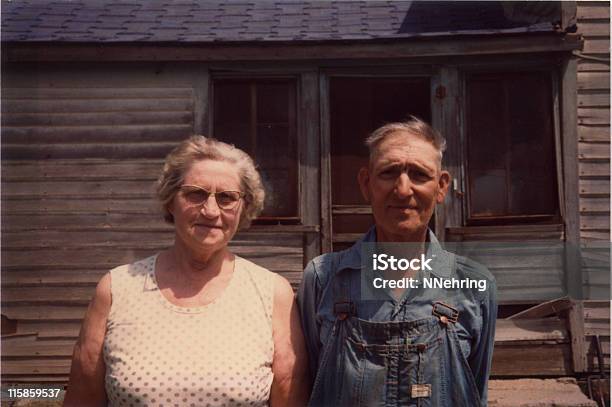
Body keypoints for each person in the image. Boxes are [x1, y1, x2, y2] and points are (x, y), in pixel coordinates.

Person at [64, 136, 310, 407]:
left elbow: (290, 396)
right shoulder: (116, 289)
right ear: (171, 201)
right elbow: (82, 397)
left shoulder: (272, 293)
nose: (211, 210)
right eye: (196, 194)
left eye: (227, 198)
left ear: (244, 207)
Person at [298, 117, 497, 407]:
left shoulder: (475, 286)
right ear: (366, 184)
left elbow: (473, 392)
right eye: (389, 173)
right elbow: (313, 385)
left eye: (418, 175)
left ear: (441, 187)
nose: (403, 190)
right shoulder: (323, 277)